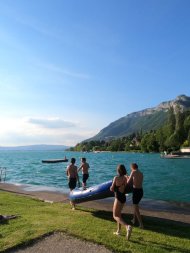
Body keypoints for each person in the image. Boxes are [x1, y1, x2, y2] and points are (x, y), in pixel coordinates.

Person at [110, 164, 132, 240]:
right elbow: (125, 186)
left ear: (118, 170)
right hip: (123, 197)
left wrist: (112, 188)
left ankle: (127, 226)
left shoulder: (115, 178)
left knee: (115, 216)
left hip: (118, 197)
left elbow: (112, 189)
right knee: (119, 214)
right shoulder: (124, 178)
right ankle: (118, 231)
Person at [127, 163, 144, 229]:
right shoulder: (141, 173)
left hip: (136, 191)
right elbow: (136, 181)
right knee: (136, 206)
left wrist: (127, 177)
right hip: (141, 191)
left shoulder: (133, 172)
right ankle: (134, 219)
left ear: (132, 167)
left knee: (136, 208)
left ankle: (141, 224)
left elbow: (128, 182)